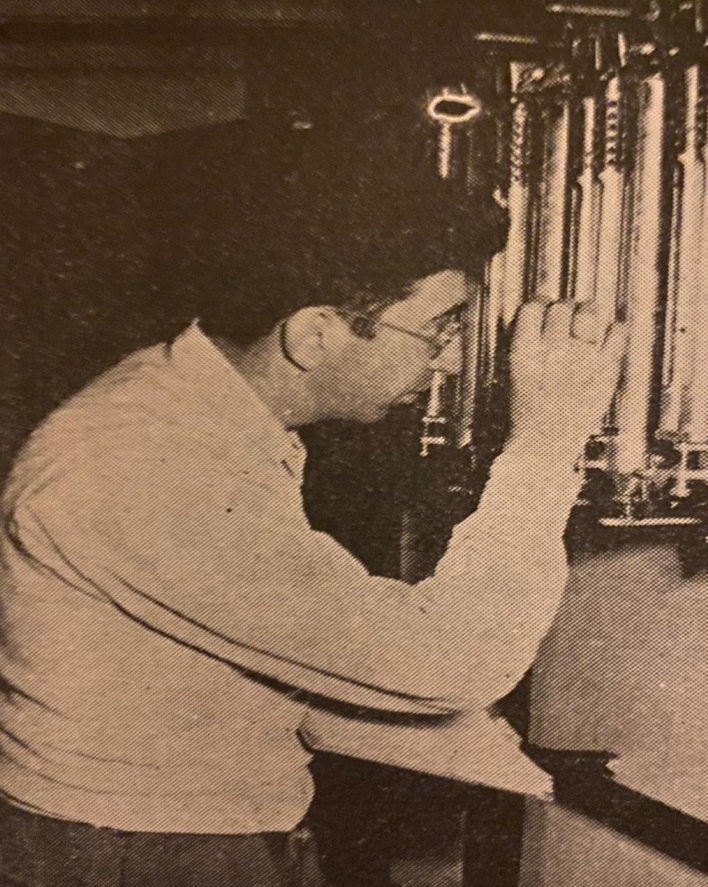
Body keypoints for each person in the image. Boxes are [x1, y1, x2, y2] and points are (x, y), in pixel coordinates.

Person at [0, 127, 624, 887]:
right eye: (440, 329)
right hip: (138, 850)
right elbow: (449, 659)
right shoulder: (138, 465)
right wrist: (544, 444)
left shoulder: (198, 407)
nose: (454, 360)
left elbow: (225, 649)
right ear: (314, 333)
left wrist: (445, 736)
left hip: (179, 832)